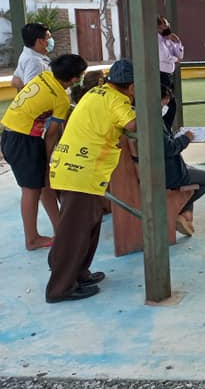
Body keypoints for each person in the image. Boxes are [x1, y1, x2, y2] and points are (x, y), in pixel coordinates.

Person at [46, 59, 138, 303]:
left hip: (74, 169)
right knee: (74, 232)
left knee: (88, 226)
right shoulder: (117, 100)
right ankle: (60, 288)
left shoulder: (96, 93)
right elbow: (132, 124)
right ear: (131, 87)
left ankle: (79, 273)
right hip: (81, 173)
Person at [1, 53, 87, 250]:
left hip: (10, 134)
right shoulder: (61, 98)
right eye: (80, 75)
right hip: (24, 140)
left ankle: (60, 227)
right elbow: (52, 133)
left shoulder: (44, 76)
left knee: (45, 184)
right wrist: (48, 159)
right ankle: (32, 239)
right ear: (73, 78)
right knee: (31, 190)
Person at [160, 86, 205, 237]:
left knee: (191, 172)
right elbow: (169, 148)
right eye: (165, 102)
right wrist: (185, 138)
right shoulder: (155, 122)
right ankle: (181, 213)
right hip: (167, 174)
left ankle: (186, 216)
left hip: (160, 169)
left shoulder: (142, 117)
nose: (166, 105)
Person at [157, 15, 184, 130]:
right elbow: (164, 57)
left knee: (170, 104)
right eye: (164, 25)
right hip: (161, 75)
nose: (167, 27)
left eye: (167, 24)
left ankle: (166, 129)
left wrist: (178, 42)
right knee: (170, 104)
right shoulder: (157, 39)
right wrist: (175, 59)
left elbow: (180, 55)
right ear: (158, 27)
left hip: (168, 76)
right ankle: (165, 130)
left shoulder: (168, 40)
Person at [11, 23, 53, 91]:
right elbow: (32, 90)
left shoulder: (29, 53)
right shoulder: (35, 62)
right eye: (49, 37)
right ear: (40, 41)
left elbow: (15, 80)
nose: (51, 40)